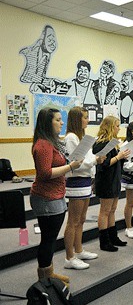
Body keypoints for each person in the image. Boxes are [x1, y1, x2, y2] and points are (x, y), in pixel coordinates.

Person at [31, 107, 82, 284]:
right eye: (58, 120)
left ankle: (48, 273)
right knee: (48, 239)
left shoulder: (51, 141)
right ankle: (44, 278)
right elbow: (45, 173)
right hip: (46, 197)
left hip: (55, 195)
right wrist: (71, 167)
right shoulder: (43, 144)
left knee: (50, 239)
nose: (62, 123)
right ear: (48, 122)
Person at [63, 107, 105, 270]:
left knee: (81, 219)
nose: (87, 120)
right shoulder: (71, 137)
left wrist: (95, 159)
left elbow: (87, 159)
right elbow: (77, 163)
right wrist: (95, 159)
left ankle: (78, 250)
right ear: (77, 120)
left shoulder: (82, 137)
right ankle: (69, 257)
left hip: (85, 180)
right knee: (73, 221)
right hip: (76, 182)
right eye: (85, 117)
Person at [93, 116, 131, 252]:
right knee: (105, 211)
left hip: (114, 178)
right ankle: (104, 241)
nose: (119, 128)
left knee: (113, 209)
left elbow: (114, 162)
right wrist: (118, 157)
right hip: (105, 180)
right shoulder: (101, 142)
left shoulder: (113, 142)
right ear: (109, 127)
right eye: (116, 126)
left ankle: (113, 236)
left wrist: (122, 157)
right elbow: (104, 163)